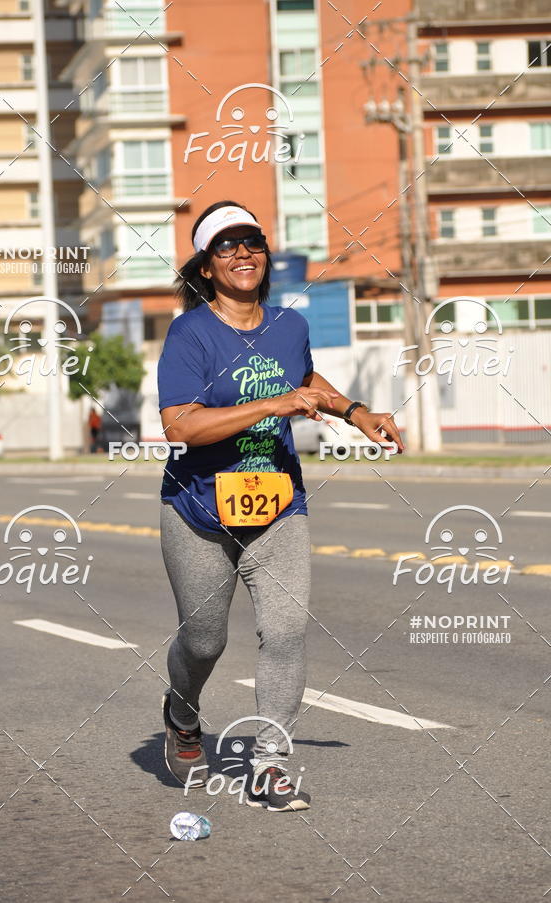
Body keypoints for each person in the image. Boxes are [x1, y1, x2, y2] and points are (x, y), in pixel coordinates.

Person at [157, 201, 404, 812]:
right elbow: (179, 424)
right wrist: (270, 407)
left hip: (278, 504)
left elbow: (308, 383)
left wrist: (357, 413)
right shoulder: (191, 333)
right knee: (205, 641)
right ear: (207, 267)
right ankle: (183, 711)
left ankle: (269, 764)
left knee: (287, 631)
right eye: (226, 246)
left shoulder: (289, 325)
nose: (243, 254)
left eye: (252, 243)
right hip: (199, 511)